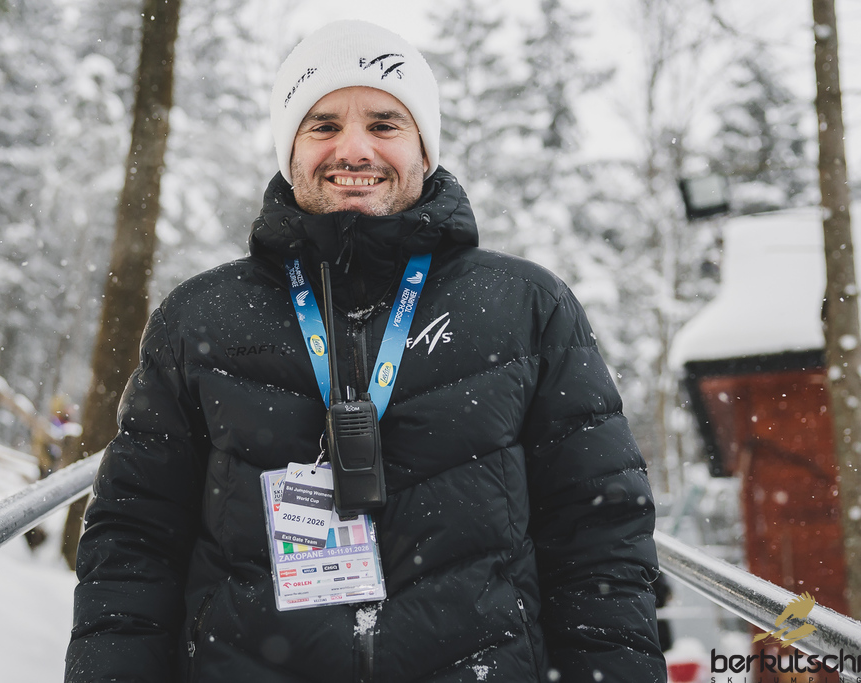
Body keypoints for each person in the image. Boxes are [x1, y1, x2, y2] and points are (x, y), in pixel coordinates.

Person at [66, 20, 665, 683]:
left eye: (384, 124)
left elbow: (599, 537)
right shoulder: (199, 317)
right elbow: (135, 539)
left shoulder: (526, 308)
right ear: (290, 148)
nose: (353, 149)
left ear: (423, 147)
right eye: (323, 125)